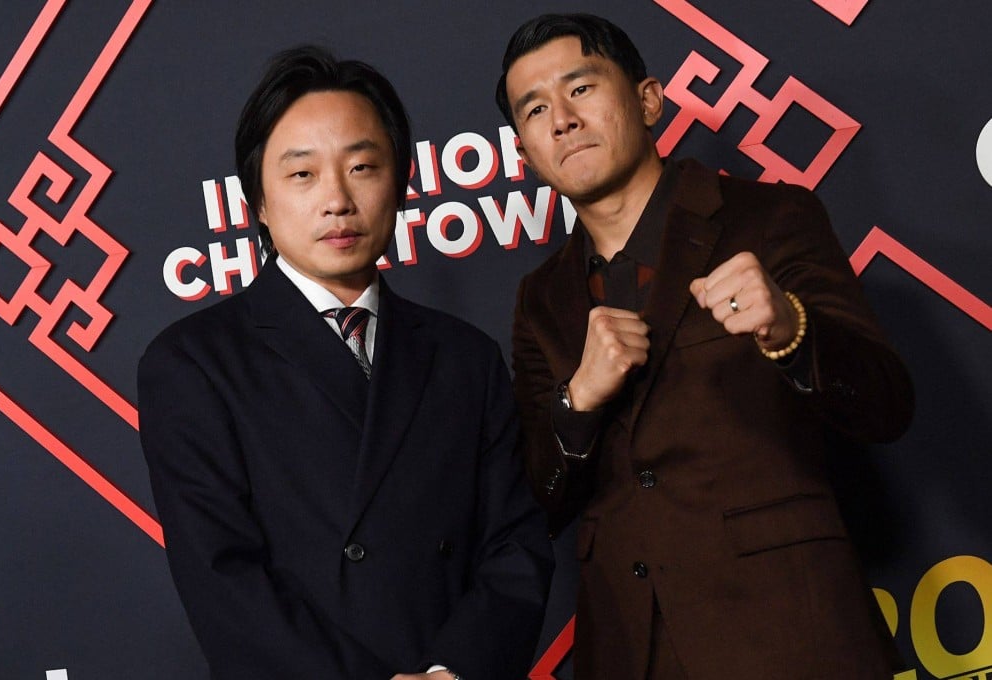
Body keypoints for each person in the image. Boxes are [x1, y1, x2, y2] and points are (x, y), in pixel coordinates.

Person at [495, 13, 913, 680]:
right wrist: (577, 402)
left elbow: (887, 406)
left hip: (791, 637)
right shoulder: (540, 297)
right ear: (525, 153)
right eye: (536, 108)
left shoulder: (772, 217)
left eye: (580, 89)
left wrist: (791, 327)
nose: (562, 120)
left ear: (649, 99)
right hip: (630, 652)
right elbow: (536, 495)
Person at [138, 45, 552, 680]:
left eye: (362, 166)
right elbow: (222, 576)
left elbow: (514, 547)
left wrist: (452, 671)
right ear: (258, 202)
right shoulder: (193, 362)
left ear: (400, 183)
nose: (336, 199)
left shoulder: (464, 355)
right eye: (302, 175)